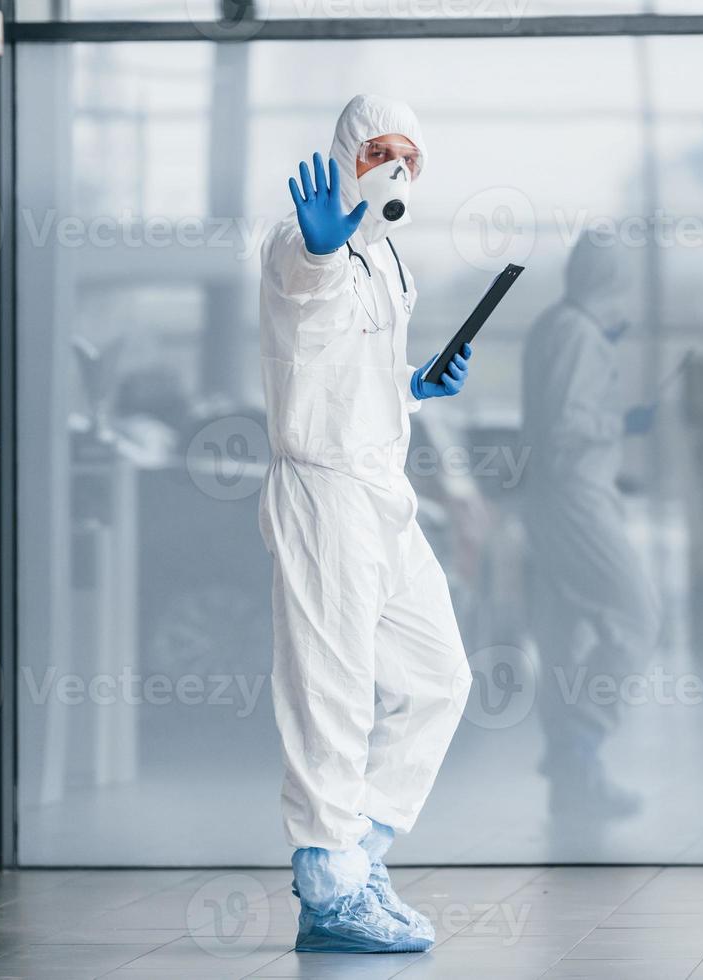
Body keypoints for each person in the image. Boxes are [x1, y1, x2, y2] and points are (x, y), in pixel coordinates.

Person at [257, 94, 473, 954]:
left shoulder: (392, 264)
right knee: (331, 691)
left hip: (385, 489)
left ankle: (356, 859)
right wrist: (318, 244)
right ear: (348, 153)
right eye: (381, 151)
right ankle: (326, 890)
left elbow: (352, 366)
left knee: (441, 678)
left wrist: (412, 384)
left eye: (410, 159)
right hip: (324, 492)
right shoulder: (295, 241)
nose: (397, 169)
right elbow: (304, 297)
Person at [520, 233, 662, 830]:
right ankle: (582, 738)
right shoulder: (577, 334)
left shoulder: (558, 326)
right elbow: (567, 429)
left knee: (567, 637)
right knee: (636, 615)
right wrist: (623, 419)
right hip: (575, 500)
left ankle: (577, 780)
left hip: (561, 499)